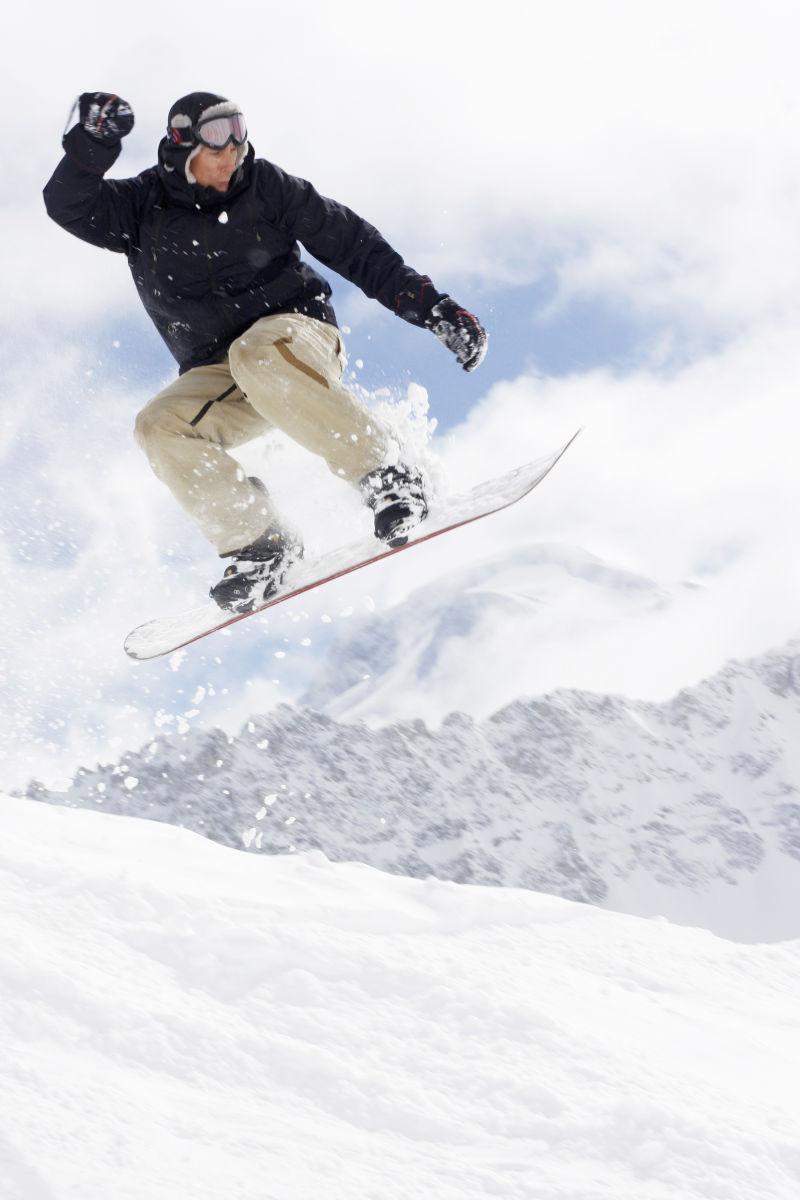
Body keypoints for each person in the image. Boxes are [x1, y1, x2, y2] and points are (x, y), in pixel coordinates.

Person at [44, 91, 488, 613]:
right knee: (159, 425)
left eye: (238, 140)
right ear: (183, 148)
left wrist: (434, 309)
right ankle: (262, 543)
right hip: (220, 368)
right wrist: (91, 148)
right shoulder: (141, 207)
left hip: (298, 338)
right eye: (216, 147)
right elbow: (68, 204)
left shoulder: (267, 187)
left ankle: (387, 475)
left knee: (259, 354)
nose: (231, 157)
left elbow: (355, 247)